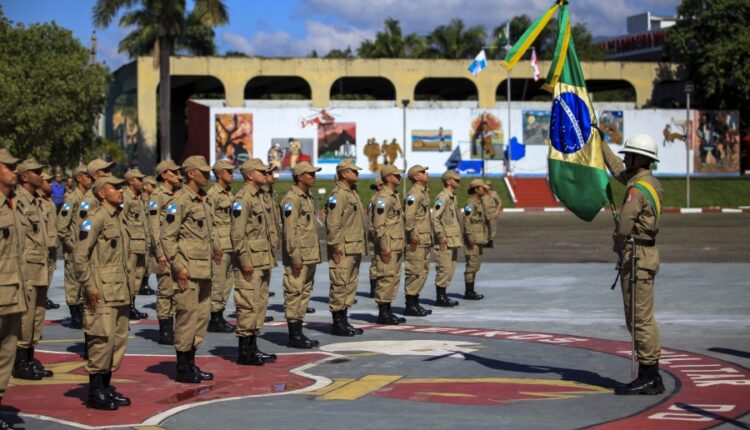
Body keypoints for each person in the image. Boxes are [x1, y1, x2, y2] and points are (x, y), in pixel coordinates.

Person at [602, 134, 665, 395]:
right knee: (639, 317)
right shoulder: (647, 182)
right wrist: (600, 143)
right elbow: (617, 167)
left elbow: (625, 224)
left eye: (629, 155)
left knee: (639, 319)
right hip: (642, 255)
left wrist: (617, 244)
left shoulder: (637, 189)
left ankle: (650, 376)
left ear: (641, 159)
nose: (625, 158)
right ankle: (650, 374)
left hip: (637, 256)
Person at [73, 175, 132, 410]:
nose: (120, 191)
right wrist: (89, 286)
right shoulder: (94, 219)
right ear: (101, 193)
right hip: (102, 290)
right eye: (115, 187)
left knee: (116, 343)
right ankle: (95, 392)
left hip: (120, 289)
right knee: (100, 341)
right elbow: (80, 257)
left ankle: (106, 388)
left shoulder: (118, 217)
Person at [160, 155, 215, 384]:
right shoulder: (180, 200)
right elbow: (167, 236)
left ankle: (191, 362)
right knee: (186, 318)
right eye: (203, 172)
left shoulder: (202, 199)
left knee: (201, 317)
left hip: (204, 268)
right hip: (187, 270)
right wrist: (177, 265)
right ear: (190, 173)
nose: (207, 175)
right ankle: (182, 367)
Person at [230, 158, 277, 365]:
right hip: (250, 261)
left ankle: (253, 347)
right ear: (250, 174)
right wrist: (244, 260)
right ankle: (244, 352)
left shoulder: (259, 197)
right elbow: (237, 234)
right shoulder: (243, 198)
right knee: (248, 304)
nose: (265, 174)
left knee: (259, 304)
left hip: (262, 259)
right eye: (261, 171)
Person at [12, 158, 52, 381]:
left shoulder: (38, 201)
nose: (40, 175)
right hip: (27, 268)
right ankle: (19, 362)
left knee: (37, 316)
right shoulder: (18, 201)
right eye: (36, 172)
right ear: (25, 176)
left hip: (40, 267)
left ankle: (29, 358)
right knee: (26, 318)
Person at [280, 162, 322, 348]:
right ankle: (293, 335)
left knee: (304, 293)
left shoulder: (307, 197)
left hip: (309, 254)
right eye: (310, 174)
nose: (314, 176)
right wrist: (295, 257)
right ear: (299, 176)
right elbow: (290, 232)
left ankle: (299, 331)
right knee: (294, 293)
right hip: (299, 256)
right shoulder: (291, 199)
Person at [0, 149, 26, 429]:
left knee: (5, 357)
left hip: (12, 295)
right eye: (8, 167)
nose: (14, 170)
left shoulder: (11, 204)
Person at [325, 160, 366, 336]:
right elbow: (333, 223)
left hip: (354, 246)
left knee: (349, 285)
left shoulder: (351, 193)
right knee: (340, 284)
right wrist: (335, 246)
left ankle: (344, 320)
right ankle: (337, 323)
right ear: (344, 173)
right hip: (343, 247)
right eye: (353, 171)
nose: (357, 174)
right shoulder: (339, 195)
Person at [149, 160, 182, 345]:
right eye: (174, 173)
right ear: (164, 175)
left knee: (178, 290)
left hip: (178, 251)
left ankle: (174, 327)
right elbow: (154, 227)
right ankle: (165, 331)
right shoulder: (157, 195)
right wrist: (160, 253)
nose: (178, 175)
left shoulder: (179, 194)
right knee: (165, 291)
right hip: (163, 251)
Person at [56, 164, 91, 329]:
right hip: (74, 249)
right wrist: (71, 246)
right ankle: (75, 315)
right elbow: (62, 227)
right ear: (79, 178)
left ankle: (83, 312)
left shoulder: (91, 197)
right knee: (73, 284)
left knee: (85, 282)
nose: (90, 178)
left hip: (87, 250)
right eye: (87, 176)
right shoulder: (71, 198)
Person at [371, 165, 407, 325]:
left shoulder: (393, 196)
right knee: (386, 278)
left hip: (396, 244)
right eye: (396, 175)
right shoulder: (383, 198)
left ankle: (388, 311)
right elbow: (379, 225)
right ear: (387, 178)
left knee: (393, 278)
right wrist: (384, 247)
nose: (399, 177)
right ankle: (383, 313)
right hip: (388, 246)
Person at [206, 160, 236, 333]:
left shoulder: (229, 193)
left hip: (230, 243)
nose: (232, 174)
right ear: (219, 173)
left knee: (227, 282)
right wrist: (215, 246)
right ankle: (214, 317)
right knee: (218, 282)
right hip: (220, 245)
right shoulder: (213, 194)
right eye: (228, 171)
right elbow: (210, 223)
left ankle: (220, 313)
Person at [403, 165, 434, 316]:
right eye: (422, 172)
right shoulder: (414, 194)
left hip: (424, 238)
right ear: (416, 177)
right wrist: (413, 235)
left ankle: (415, 302)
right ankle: (410, 305)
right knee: (414, 271)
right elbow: (409, 216)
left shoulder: (423, 192)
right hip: (417, 239)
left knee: (422, 271)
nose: (426, 173)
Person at [432, 171, 464, 306]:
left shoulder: (452, 197)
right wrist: (440, 236)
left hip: (453, 239)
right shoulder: (443, 197)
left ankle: (444, 295)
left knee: (450, 268)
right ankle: (440, 298)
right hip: (445, 239)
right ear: (448, 181)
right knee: (444, 268)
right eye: (456, 180)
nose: (459, 182)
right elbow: (435, 218)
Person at [121, 168, 149, 320]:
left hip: (142, 244)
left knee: (138, 278)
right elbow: (122, 220)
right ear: (130, 181)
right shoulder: (125, 197)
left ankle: (132, 305)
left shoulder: (140, 197)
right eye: (139, 179)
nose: (142, 181)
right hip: (131, 244)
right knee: (129, 277)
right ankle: (127, 307)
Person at [463, 179, 491, 300]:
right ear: (476, 189)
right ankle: (468, 292)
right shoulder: (471, 203)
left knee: (475, 265)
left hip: (478, 238)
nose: (484, 190)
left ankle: (471, 290)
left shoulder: (479, 202)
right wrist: (469, 237)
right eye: (482, 188)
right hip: (473, 238)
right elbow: (466, 220)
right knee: (471, 265)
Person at [40, 171, 61, 311]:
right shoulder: (39, 202)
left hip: (52, 245)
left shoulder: (50, 201)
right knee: (41, 277)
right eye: (48, 181)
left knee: (49, 273)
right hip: (43, 247)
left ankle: (44, 297)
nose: (51, 184)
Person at [262, 165, 281, 303]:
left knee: (265, 278)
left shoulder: (272, 193)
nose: (272, 175)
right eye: (268, 173)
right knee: (256, 282)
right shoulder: (256, 196)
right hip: (258, 243)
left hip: (269, 242)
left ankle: (260, 312)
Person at [139, 176, 157, 296]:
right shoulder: (140, 200)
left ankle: (145, 283)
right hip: (142, 234)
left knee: (150, 261)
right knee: (143, 262)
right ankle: (141, 285)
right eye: (152, 186)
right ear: (145, 186)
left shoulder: (153, 200)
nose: (155, 188)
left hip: (150, 234)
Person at [367, 175, 383, 298]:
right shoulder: (377, 199)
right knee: (375, 261)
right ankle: (374, 289)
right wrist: (375, 234)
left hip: (381, 234)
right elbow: (373, 220)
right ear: (378, 186)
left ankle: (378, 287)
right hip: (376, 234)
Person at [482, 180, 503, 248]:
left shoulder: (494, 193)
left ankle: (491, 241)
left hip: (492, 212)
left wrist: (497, 211)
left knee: (492, 227)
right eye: (486, 185)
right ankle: (485, 241)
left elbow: (499, 202)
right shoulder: (482, 194)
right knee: (484, 227)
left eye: (489, 185)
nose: (487, 187)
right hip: (484, 212)